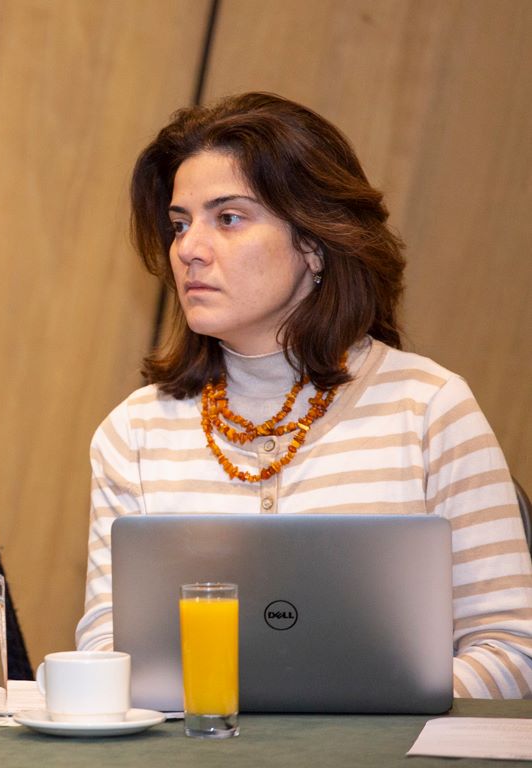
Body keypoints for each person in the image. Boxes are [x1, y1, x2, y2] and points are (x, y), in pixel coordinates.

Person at [76, 92, 532, 698]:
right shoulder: (133, 433)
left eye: (228, 218)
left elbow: (512, 652)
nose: (188, 248)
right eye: (180, 224)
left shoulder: (428, 407)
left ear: (314, 242)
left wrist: (364, 713)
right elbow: (108, 650)